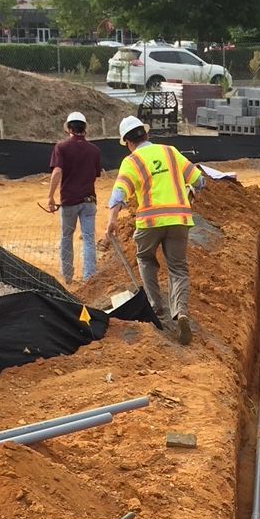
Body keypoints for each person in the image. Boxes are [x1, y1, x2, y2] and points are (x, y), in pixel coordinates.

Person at [104, 115, 203, 346]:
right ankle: (181, 312)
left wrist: (112, 219)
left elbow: (119, 192)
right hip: (179, 220)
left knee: (146, 259)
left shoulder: (132, 161)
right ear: (146, 134)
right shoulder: (170, 151)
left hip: (149, 223)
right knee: (178, 268)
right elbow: (198, 180)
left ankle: (155, 306)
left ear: (127, 142)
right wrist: (193, 188)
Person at [46, 112, 103, 284]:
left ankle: (68, 277)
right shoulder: (94, 150)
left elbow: (57, 172)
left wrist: (50, 197)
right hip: (89, 201)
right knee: (88, 239)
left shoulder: (61, 147)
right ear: (84, 128)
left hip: (69, 201)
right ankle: (89, 278)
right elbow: (96, 175)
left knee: (66, 237)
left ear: (69, 128)